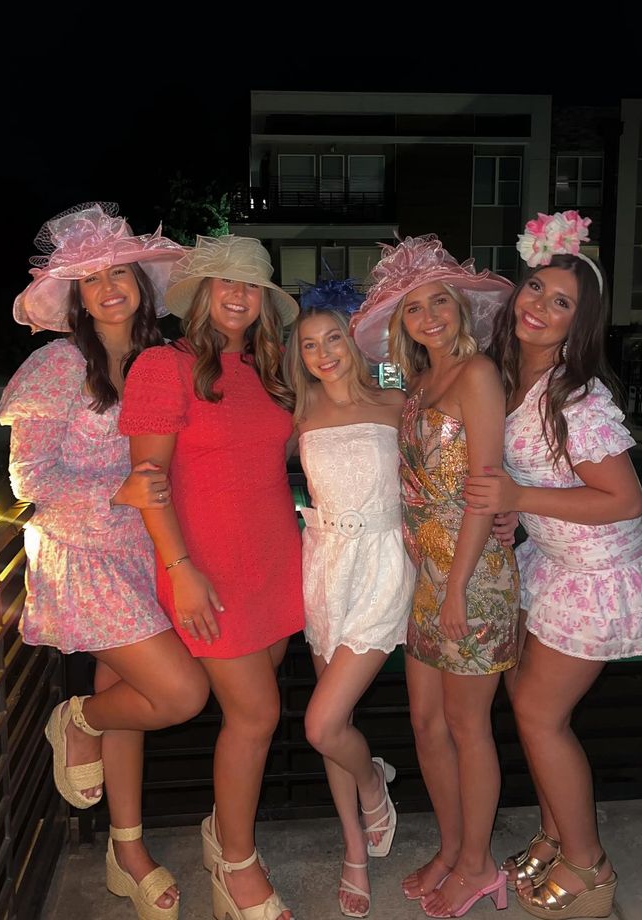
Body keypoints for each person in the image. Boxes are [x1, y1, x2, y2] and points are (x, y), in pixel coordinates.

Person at [464, 210, 642, 919]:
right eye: (535, 288)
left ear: (577, 325)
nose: (539, 306)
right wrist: (517, 512)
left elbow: (624, 499)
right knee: (531, 710)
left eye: (561, 303)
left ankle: (589, 866)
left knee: (537, 713)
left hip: (598, 574)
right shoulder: (512, 377)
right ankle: (556, 835)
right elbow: (544, 486)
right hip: (554, 562)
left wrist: (520, 495)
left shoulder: (577, 397)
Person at [0, 202, 211, 920]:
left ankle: (128, 851)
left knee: (137, 705)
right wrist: (114, 491)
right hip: (79, 554)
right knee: (180, 694)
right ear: (78, 299)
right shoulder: (56, 365)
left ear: (141, 286)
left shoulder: (160, 361)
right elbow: (31, 483)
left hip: (138, 552)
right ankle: (78, 720)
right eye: (92, 280)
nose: (109, 288)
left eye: (120, 273)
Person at [119, 234, 303, 920]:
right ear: (199, 294)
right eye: (224, 282)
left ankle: (218, 833)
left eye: (251, 286)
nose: (237, 295)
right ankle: (236, 863)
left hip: (275, 562)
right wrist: (180, 570)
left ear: (263, 301)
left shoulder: (269, 369)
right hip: (203, 568)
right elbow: (147, 483)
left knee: (246, 719)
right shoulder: (162, 366)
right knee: (258, 715)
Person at [351, 235, 518, 919]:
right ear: (402, 325)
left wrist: (454, 587)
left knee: (467, 725)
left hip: (471, 580)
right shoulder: (418, 383)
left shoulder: (477, 374)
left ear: (459, 308)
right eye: (414, 308)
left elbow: (486, 484)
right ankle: (453, 849)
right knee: (425, 724)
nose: (430, 316)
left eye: (439, 302)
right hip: (429, 574)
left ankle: (479, 865)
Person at [283, 278, 415, 918]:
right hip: (323, 567)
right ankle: (355, 854)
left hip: (386, 563)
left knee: (322, 723)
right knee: (333, 724)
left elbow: (449, 464)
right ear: (298, 355)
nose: (323, 353)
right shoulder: (299, 414)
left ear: (354, 341)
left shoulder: (398, 402)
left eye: (333, 337)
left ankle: (373, 785)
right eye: (309, 344)